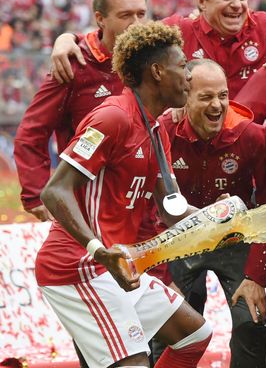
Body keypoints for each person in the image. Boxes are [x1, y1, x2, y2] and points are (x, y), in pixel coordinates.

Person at [35, 21, 211, 368]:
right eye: (182, 66)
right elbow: (53, 191)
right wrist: (99, 251)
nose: (188, 76)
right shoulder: (112, 118)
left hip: (114, 267)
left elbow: (172, 209)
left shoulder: (156, 127)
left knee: (194, 336)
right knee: (133, 364)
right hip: (78, 267)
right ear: (158, 72)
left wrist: (223, 217)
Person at [159, 59, 266, 367]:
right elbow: (148, 198)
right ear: (185, 96)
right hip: (178, 241)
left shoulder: (249, 135)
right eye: (206, 97)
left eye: (223, 95)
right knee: (167, 322)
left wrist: (257, 276)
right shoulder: (163, 131)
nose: (218, 105)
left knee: (254, 321)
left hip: (233, 240)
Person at [49, 0, 266, 96]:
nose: (237, 5)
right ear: (202, 2)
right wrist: (69, 38)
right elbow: (129, 38)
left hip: (252, 155)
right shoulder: (177, 31)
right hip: (187, 157)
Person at [14, 0, 146, 223]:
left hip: (141, 208)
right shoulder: (74, 66)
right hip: (88, 210)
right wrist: (35, 196)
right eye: (126, 15)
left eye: (141, 14)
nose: (136, 24)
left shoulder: (152, 59)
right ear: (100, 19)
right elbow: (31, 133)